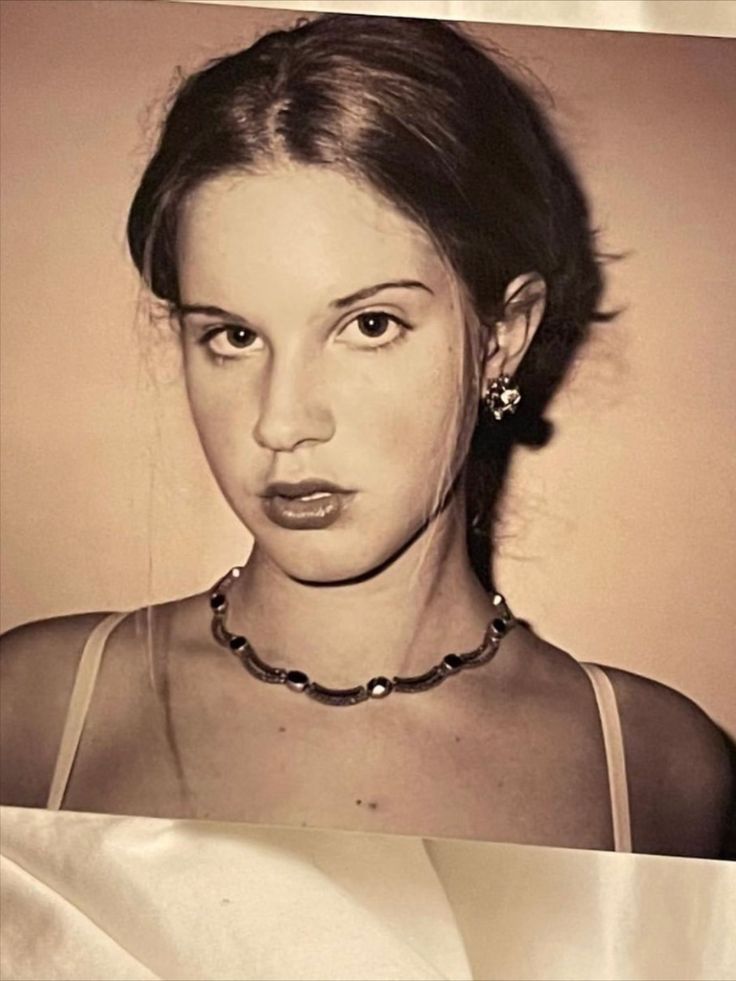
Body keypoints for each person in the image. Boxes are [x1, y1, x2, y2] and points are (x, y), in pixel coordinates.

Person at [1, 11, 732, 865]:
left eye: (370, 323)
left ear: (503, 336)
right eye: (233, 337)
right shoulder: (36, 712)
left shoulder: (658, 775)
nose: (280, 423)